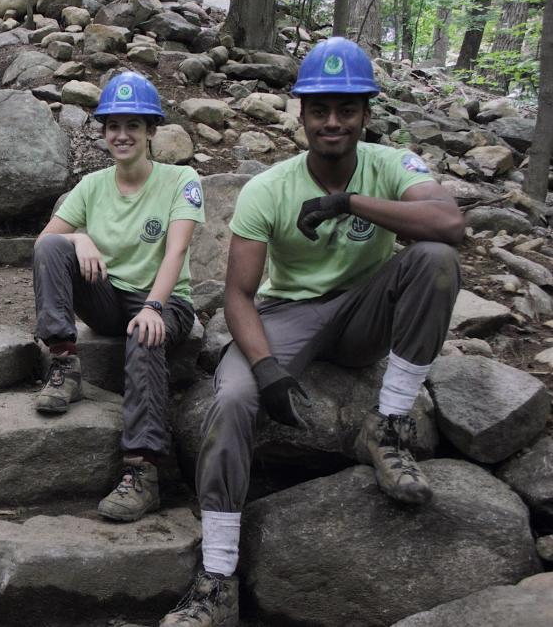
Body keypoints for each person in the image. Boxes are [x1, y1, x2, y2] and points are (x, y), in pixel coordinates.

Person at [160, 37, 464, 627]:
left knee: (435, 260)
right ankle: (217, 578)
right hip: (287, 312)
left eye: (346, 110)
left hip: (364, 313)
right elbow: (238, 295)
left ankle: (389, 427)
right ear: (300, 115)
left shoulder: (392, 163)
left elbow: (450, 225)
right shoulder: (267, 188)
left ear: (366, 115)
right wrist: (267, 368)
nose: (332, 122)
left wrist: (351, 202)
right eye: (319, 110)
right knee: (233, 398)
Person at [31, 71, 204, 523]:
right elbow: (45, 241)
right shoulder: (91, 186)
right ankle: (64, 364)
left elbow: (177, 249)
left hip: (165, 301)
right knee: (54, 245)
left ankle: (142, 472)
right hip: (109, 299)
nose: (121, 135)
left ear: (151, 131)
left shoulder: (181, 179)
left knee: (146, 335)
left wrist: (154, 307)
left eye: (133, 125)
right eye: (113, 126)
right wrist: (80, 238)